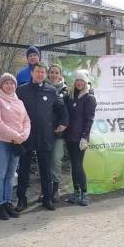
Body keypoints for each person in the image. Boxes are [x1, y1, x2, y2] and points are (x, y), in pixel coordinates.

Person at [15, 62, 69, 211]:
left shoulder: (51, 91)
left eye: (42, 73)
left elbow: (61, 108)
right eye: (37, 72)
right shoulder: (21, 91)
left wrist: (64, 123)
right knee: (24, 170)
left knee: (45, 170)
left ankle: (47, 199)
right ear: (32, 73)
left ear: (44, 75)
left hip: (45, 135)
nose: (40, 74)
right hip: (26, 136)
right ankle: (21, 200)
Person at [0, 73, 30, 220]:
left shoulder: (19, 102)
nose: (9, 85)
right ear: (1, 85)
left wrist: (23, 136)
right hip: (0, 142)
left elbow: (26, 121)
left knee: (11, 175)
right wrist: (16, 136)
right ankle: (0, 205)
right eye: (6, 83)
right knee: (0, 175)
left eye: (12, 83)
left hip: (16, 143)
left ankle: (7, 203)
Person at [64, 70, 97, 206]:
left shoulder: (89, 98)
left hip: (80, 138)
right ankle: (76, 192)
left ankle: (84, 193)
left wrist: (85, 137)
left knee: (78, 165)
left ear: (85, 82)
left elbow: (89, 119)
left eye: (82, 80)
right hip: (69, 136)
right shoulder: (70, 96)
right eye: (77, 80)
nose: (79, 83)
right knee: (73, 165)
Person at [41, 64, 68, 203]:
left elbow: (66, 110)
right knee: (44, 161)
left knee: (56, 160)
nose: (53, 74)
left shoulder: (66, 90)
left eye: (56, 72)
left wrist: (64, 124)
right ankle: (45, 189)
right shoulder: (42, 87)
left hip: (58, 133)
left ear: (60, 74)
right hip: (44, 132)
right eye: (51, 72)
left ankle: (56, 188)